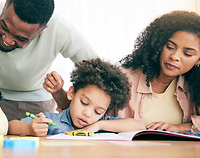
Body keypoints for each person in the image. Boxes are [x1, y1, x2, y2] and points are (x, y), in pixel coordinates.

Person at [44, 11, 200, 133]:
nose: (175, 56)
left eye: (187, 53)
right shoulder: (124, 78)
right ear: (159, 44)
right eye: (170, 47)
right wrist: (58, 92)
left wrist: (183, 127)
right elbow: (80, 114)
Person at [8, 58, 145, 137]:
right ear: (72, 93)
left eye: (98, 111)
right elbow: (10, 126)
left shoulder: (103, 124)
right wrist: (29, 129)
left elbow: (139, 126)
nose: (88, 113)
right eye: (84, 103)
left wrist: (99, 125)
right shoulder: (51, 121)